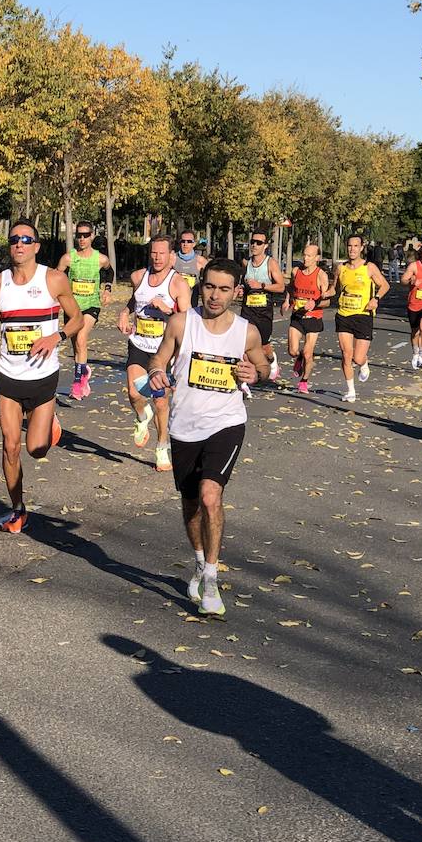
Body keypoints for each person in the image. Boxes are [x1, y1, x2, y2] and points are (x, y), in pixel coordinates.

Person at [147, 259, 268, 617]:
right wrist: (155, 373)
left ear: (237, 292)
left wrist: (254, 372)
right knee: (190, 505)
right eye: (210, 287)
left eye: (224, 289)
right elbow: (159, 359)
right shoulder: (182, 323)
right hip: (184, 425)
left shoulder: (246, 332)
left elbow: (261, 367)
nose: (215, 296)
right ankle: (200, 563)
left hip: (226, 423)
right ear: (201, 286)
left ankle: (212, 578)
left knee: (210, 496)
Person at [0, 221, 83, 531]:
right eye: (14, 240)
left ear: (36, 246)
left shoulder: (54, 280)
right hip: (8, 374)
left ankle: (51, 425)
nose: (19, 244)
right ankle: (18, 509)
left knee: (37, 449)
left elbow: (77, 319)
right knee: (10, 445)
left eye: (25, 239)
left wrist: (56, 337)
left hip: (43, 375)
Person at [118, 234, 190, 471]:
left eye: (162, 253)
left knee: (161, 403)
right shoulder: (139, 276)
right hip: (139, 343)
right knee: (133, 391)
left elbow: (188, 322)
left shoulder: (178, 284)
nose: (157, 257)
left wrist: (168, 310)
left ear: (171, 255)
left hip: (163, 351)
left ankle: (161, 447)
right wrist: (123, 314)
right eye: (153, 252)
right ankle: (141, 415)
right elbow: (134, 301)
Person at [54, 220, 111, 398]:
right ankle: (83, 371)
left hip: (92, 305)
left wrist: (107, 288)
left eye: (86, 235)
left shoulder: (101, 259)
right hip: (72, 307)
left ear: (92, 236)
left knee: (81, 338)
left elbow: (110, 272)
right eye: (79, 235)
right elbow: (56, 277)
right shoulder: (68, 258)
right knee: (76, 346)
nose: (82, 239)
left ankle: (78, 383)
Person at [333, 233, 390, 402]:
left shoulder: (369, 267)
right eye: (350, 246)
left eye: (356, 246)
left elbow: (384, 285)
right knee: (346, 354)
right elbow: (333, 289)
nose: (352, 249)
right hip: (343, 314)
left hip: (363, 315)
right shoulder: (340, 268)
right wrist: (319, 295)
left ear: (361, 248)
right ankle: (350, 391)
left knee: (357, 358)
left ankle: (364, 363)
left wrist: (376, 298)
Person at [238, 230, 285, 386]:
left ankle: (271, 359)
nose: (254, 245)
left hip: (264, 311)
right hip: (247, 310)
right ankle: (244, 382)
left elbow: (281, 287)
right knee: (244, 344)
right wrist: (240, 290)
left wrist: (261, 285)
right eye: (252, 242)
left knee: (264, 346)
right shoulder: (246, 263)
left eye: (259, 243)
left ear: (265, 246)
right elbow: (243, 283)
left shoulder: (270, 263)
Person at [281, 243, 330, 394]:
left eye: (309, 256)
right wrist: (287, 300)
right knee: (292, 351)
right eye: (304, 254)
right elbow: (291, 288)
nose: (305, 258)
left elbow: (327, 301)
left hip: (313, 317)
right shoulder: (296, 271)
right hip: (297, 315)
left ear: (317, 258)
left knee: (309, 353)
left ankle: (304, 381)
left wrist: (314, 303)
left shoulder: (321, 275)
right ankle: (299, 358)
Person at [172, 229, 208, 306]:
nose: (185, 244)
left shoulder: (200, 261)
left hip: (192, 302)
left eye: (189, 241)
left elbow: (211, 278)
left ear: (194, 244)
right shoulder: (172, 258)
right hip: (174, 302)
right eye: (183, 241)